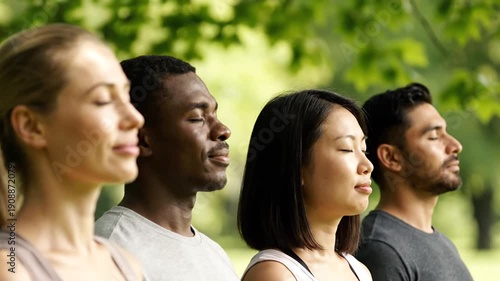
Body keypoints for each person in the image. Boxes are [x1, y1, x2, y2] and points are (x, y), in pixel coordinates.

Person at [0, 24, 145, 281]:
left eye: (126, 96)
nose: (135, 118)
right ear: (31, 126)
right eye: (102, 100)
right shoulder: (11, 271)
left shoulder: (125, 265)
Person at [94, 55, 239, 281]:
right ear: (142, 141)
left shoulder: (214, 254)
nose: (223, 130)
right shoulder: (109, 254)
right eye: (197, 118)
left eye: (214, 114)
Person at [238, 89, 373, 281]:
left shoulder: (360, 271)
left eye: (364, 149)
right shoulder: (275, 274)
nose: (367, 165)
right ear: (296, 167)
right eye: (347, 149)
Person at [355, 83, 473, 281]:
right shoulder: (381, 251)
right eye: (434, 136)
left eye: (446, 132)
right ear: (391, 158)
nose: (455, 146)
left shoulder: (443, 243)